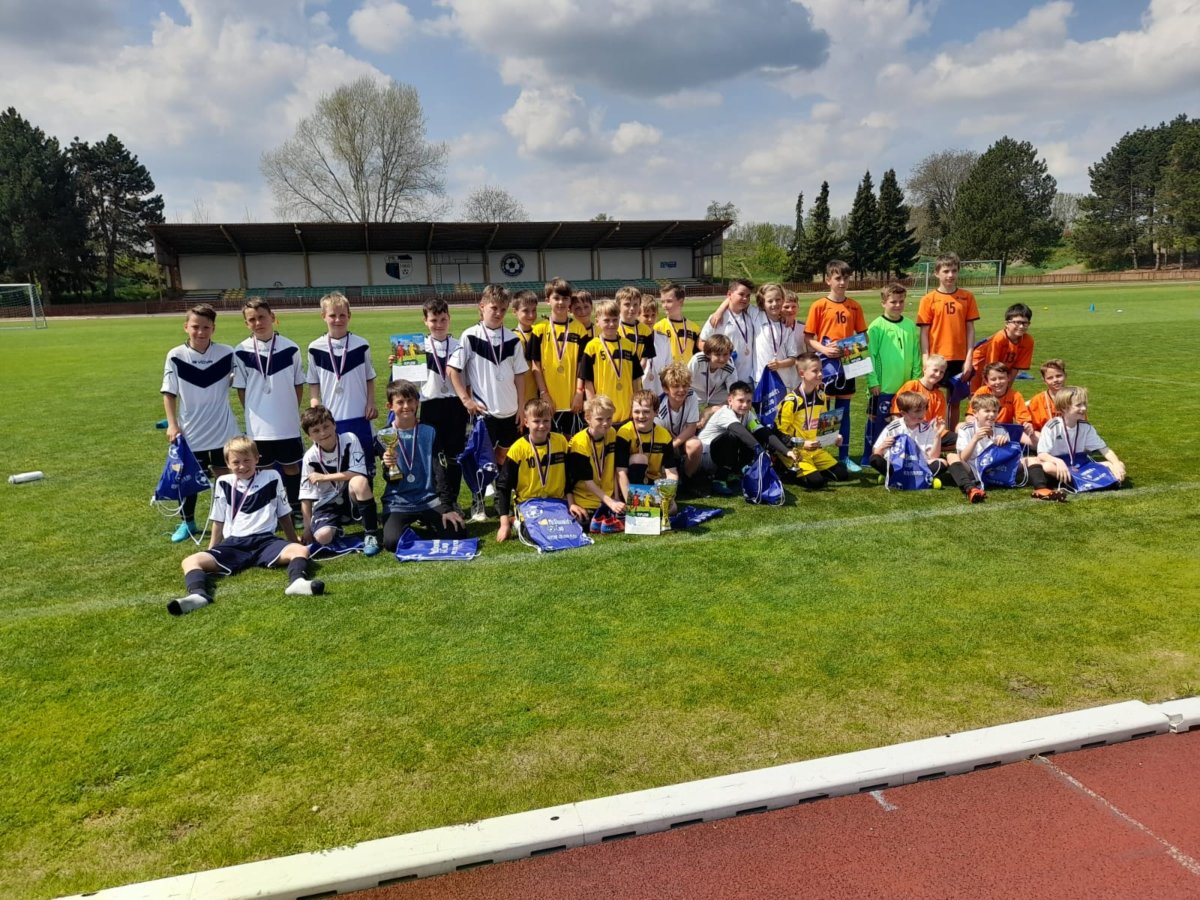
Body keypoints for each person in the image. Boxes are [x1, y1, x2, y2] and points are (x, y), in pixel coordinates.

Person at [168, 436, 321, 616]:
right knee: (190, 561)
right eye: (236, 462)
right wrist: (211, 549)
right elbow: (218, 520)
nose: (242, 466)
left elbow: (283, 514)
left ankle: (297, 582)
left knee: (300, 550)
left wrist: (292, 540)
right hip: (234, 544)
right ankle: (198, 595)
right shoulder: (223, 482)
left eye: (247, 460)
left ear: (257, 458)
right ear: (227, 463)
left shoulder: (272, 476)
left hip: (266, 542)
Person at [448, 284, 529, 520]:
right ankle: (478, 502)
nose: (498, 313)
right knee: (481, 460)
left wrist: (521, 407)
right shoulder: (470, 336)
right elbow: (453, 370)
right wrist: (466, 400)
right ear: (482, 307)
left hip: (510, 411)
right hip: (485, 412)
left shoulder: (513, 339)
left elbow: (521, 375)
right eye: (494, 308)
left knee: (504, 458)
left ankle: (501, 499)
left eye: (503, 309)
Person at [161, 303, 240, 542]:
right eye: (195, 327)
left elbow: (242, 380)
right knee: (188, 480)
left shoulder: (227, 353)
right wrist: (172, 425)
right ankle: (188, 523)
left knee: (227, 477)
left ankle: (231, 520)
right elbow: (169, 393)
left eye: (206, 327)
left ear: (213, 328)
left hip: (223, 430)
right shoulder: (176, 355)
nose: (200, 332)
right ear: (186, 327)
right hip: (191, 432)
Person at [233, 299, 306, 517]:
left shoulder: (291, 348)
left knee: (291, 467)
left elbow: (298, 384)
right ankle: (268, 510)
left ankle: (295, 508)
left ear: (272, 317)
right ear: (246, 324)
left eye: (262, 317)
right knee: (262, 469)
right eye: (252, 320)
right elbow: (241, 389)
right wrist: (254, 410)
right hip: (258, 426)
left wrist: (290, 409)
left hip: (286, 423)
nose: (258, 323)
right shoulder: (241, 351)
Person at [379, 380, 465, 549]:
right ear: (390, 406)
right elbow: (391, 479)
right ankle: (405, 527)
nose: (406, 406)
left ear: (417, 402)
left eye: (410, 401)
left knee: (457, 532)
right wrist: (388, 466)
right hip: (399, 501)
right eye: (400, 402)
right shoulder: (384, 435)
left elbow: (439, 470)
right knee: (392, 542)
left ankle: (427, 525)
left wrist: (447, 507)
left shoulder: (430, 431)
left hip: (428, 499)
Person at [805, 260, 869, 471]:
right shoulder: (819, 305)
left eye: (846, 278)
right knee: (823, 412)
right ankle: (822, 455)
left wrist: (848, 348)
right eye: (838, 278)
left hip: (848, 366)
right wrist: (824, 350)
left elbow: (864, 337)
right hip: (825, 368)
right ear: (828, 280)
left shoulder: (855, 306)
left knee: (844, 411)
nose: (842, 282)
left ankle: (844, 457)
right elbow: (809, 338)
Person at [306, 291, 377, 477]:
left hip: (360, 414)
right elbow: (313, 381)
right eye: (332, 315)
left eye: (342, 315)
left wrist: (371, 402)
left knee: (364, 468)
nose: (338, 320)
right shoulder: (314, 347)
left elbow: (369, 377)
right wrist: (315, 403)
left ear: (349, 316)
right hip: (331, 418)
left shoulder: (362, 345)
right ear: (323, 316)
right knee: (337, 465)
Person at [298, 405, 381, 555]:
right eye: (316, 431)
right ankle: (334, 528)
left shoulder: (350, 439)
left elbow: (358, 471)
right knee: (322, 537)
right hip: (327, 504)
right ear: (309, 436)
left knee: (360, 481)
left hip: (350, 498)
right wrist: (307, 529)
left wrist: (324, 477)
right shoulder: (309, 457)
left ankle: (371, 533)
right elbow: (306, 496)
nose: (323, 433)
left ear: (334, 425)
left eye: (326, 426)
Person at [494, 398, 580, 542]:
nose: (542, 425)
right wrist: (503, 525)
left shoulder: (560, 442)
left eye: (546, 421)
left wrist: (572, 504)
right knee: (534, 534)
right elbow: (504, 486)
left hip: (556, 502)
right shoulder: (518, 449)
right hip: (529, 504)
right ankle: (515, 521)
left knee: (579, 524)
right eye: (536, 421)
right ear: (526, 422)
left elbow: (568, 477)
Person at [414, 297, 469, 513]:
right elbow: (407, 381)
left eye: (443, 319)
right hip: (430, 406)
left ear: (449, 319)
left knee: (455, 456)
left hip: (456, 406)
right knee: (435, 457)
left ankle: (452, 499)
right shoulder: (417, 347)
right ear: (425, 321)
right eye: (433, 320)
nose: (439, 324)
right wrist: (397, 363)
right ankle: (439, 500)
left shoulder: (459, 346)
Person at [870, 391, 975, 500]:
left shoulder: (927, 428)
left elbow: (933, 456)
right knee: (874, 459)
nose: (922, 413)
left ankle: (892, 477)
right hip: (898, 465)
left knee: (942, 463)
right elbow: (876, 452)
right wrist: (882, 446)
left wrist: (937, 435)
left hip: (919, 466)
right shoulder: (893, 428)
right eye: (917, 411)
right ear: (903, 413)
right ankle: (917, 477)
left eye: (924, 409)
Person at [956, 393, 1059, 502]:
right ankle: (971, 487)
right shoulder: (966, 429)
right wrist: (974, 439)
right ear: (975, 413)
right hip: (976, 470)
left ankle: (1041, 488)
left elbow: (1009, 458)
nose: (992, 414)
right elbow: (963, 458)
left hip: (997, 469)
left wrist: (1004, 445)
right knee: (953, 457)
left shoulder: (1001, 430)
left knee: (1032, 460)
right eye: (987, 411)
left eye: (995, 411)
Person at [697, 380, 792, 496]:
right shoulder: (725, 412)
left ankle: (736, 472)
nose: (745, 405)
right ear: (730, 400)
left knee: (757, 433)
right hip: (705, 458)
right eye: (740, 401)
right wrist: (760, 451)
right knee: (733, 436)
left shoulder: (747, 414)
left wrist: (787, 451)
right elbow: (739, 431)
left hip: (719, 455)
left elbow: (763, 432)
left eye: (748, 401)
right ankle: (719, 479)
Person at [917, 252, 979, 428]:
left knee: (955, 401)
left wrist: (969, 358)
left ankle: (951, 436)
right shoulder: (928, 299)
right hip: (937, 358)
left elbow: (970, 329)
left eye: (954, 271)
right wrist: (926, 358)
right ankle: (930, 434)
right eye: (946, 271)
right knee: (931, 398)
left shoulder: (967, 297)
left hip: (959, 357)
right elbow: (924, 332)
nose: (950, 275)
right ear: (937, 273)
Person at [775, 354, 849, 489]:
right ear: (802, 373)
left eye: (821, 370)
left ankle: (812, 469)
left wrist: (834, 436)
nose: (820, 374)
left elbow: (824, 424)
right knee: (816, 482)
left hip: (815, 450)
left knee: (842, 474)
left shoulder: (821, 396)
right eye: (815, 371)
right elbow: (778, 434)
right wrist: (803, 444)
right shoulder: (791, 401)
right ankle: (783, 467)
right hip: (796, 451)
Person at [528, 277, 589, 435]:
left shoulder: (579, 329)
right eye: (556, 298)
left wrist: (579, 392)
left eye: (565, 298)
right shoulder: (539, 330)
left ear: (570, 302)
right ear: (547, 300)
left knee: (573, 442)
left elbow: (582, 366)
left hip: (573, 401)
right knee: (550, 443)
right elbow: (535, 366)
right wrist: (544, 394)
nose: (561, 302)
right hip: (548, 402)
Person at [1036, 386, 1126, 489]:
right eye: (1078, 405)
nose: (1084, 408)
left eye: (1084, 404)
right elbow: (1042, 454)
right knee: (1047, 467)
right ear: (1064, 408)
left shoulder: (1085, 426)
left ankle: (1078, 482)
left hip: (1081, 463)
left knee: (1118, 464)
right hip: (1060, 464)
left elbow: (1104, 449)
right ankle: (1101, 481)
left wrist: (1116, 464)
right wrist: (1058, 461)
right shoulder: (1052, 426)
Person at [580, 299, 643, 426]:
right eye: (606, 320)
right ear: (597, 321)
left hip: (626, 410)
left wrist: (636, 404)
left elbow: (636, 379)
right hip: (603, 414)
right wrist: (593, 409)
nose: (611, 324)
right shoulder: (592, 347)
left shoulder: (628, 345)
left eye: (615, 320)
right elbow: (588, 382)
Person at [568, 394, 626, 532]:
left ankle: (607, 517)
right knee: (583, 523)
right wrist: (611, 503)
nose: (605, 423)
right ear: (588, 418)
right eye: (599, 419)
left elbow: (614, 469)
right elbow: (588, 482)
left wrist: (616, 498)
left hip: (608, 498)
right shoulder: (579, 443)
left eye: (609, 418)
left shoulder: (612, 433)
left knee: (624, 515)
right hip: (586, 498)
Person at [616, 390, 679, 500]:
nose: (641, 416)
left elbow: (671, 472)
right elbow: (621, 472)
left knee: (672, 508)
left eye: (646, 412)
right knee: (639, 459)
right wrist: (629, 501)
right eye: (636, 412)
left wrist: (669, 496)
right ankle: (635, 499)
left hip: (654, 484)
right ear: (631, 412)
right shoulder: (624, 433)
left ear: (656, 412)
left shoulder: (664, 436)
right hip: (629, 485)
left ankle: (650, 501)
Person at [699, 277, 762, 385]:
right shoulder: (717, 317)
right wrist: (719, 356)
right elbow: (702, 342)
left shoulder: (751, 315)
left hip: (748, 378)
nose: (745, 299)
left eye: (748, 296)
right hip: (724, 380)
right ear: (729, 294)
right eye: (741, 294)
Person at [970, 303, 1035, 391]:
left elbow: (1016, 368)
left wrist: (1007, 389)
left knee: (1001, 392)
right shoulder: (1000, 338)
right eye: (1017, 322)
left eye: (1025, 323)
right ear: (1007, 323)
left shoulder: (1028, 341)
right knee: (978, 394)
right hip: (979, 365)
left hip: (999, 368)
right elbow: (990, 367)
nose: (1021, 326)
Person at [969, 362, 1035, 447]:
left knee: (1034, 439)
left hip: (1006, 430)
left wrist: (1027, 425)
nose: (998, 382)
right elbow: (970, 415)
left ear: (1008, 378)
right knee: (959, 427)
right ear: (986, 381)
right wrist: (979, 426)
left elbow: (1023, 419)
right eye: (993, 379)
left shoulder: (1015, 395)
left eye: (1001, 378)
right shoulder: (982, 392)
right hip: (985, 428)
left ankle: (1044, 450)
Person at [657, 361, 703, 481]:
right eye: (676, 386)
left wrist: (673, 445)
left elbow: (692, 428)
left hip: (679, 441)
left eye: (685, 385)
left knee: (695, 444)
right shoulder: (659, 406)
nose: (682, 390)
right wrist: (668, 449)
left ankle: (687, 479)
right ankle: (662, 477)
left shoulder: (692, 396)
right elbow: (658, 437)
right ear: (665, 388)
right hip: (664, 443)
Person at [754, 282, 800, 391]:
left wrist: (779, 364)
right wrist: (719, 311)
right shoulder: (756, 316)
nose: (774, 304)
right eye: (770, 301)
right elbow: (735, 298)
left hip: (783, 381)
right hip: (761, 379)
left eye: (778, 299)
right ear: (762, 303)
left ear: (783, 300)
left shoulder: (787, 327)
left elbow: (793, 358)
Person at [687, 333, 736, 409]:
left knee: (734, 403)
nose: (722, 359)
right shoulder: (697, 360)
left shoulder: (730, 367)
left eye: (725, 354)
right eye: (717, 355)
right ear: (708, 354)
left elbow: (733, 393)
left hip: (717, 393)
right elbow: (685, 382)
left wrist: (713, 409)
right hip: (695, 391)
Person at [654, 283, 700, 363]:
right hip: (667, 370)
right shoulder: (658, 328)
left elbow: (698, 355)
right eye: (662, 302)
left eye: (669, 301)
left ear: (681, 302)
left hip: (688, 370)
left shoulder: (694, 328)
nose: (665, 305)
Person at [638, 294, 674, 395]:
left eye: (653, 315)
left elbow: (668, 366)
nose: (650, 319)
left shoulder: (664, 339)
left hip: (659, 390)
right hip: (639, 391)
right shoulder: (633, 340)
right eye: (646, 316)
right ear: (637, 315)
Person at [616, 285, 657, 367]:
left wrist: (636, 371)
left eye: (635, 304)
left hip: (637, 373)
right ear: (618, 306)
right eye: (627, 304)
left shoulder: (645, 331)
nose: (632, 308)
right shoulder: (612, 328)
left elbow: (644, 360)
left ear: (639, 306)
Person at [1028, 358, 1067, 431]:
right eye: (1050, 378)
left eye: (1058, 376)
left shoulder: (1074, 398)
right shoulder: (1037, 401)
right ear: (1044, 381)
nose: (1055, 380)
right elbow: (1031, 430)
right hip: (1043, 436)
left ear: (1065, 375)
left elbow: (1081, 425)